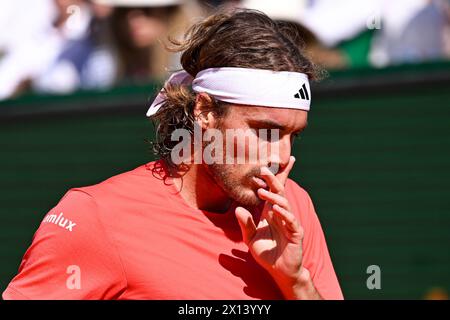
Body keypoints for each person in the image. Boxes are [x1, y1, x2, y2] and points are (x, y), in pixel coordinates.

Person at [2, 9, 343, 300]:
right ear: (206, 111)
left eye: (292, 136)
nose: (281, 156)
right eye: (263, 131)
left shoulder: (293, 208)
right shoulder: (94, 216)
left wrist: (296, 281)